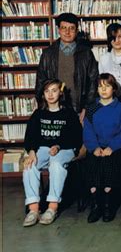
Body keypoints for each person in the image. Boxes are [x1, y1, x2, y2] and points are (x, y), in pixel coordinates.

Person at [22, 79, 82, 227]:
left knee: (56, 164)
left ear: (60, 93)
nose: (50, 94)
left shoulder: (69, 113)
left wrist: (59, 145)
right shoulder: (38, 114)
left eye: (54, 90)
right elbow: (30, 136)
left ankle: (52, 207)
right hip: (42, 149)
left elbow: (76, 138)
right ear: (43, 94)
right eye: (47, 91)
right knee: (30, 165)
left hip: (64, 149)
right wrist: (31, 152)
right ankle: (33, 209)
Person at [83, 73, 121, 223]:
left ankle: (107, 205)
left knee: (108, 162)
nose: (103, 90)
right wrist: (94, 148)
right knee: (93, 162)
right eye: (100, 86)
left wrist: (112, 147)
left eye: (107, 86)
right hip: (96, 146)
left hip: (115, 147)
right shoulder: (91, 109)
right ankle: (96, 205)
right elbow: (88, 132)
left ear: (114, 89)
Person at [35, 12, 98, 122]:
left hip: (79, 109)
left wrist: (86, 108)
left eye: (71, 28)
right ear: (58, 30)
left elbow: (93, 82)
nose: (67, 32)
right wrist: (44, 107)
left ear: (77, 31)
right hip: (54, 109)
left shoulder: (86, 53)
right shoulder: (48, 53)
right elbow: (40, 82)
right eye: (64, 28)